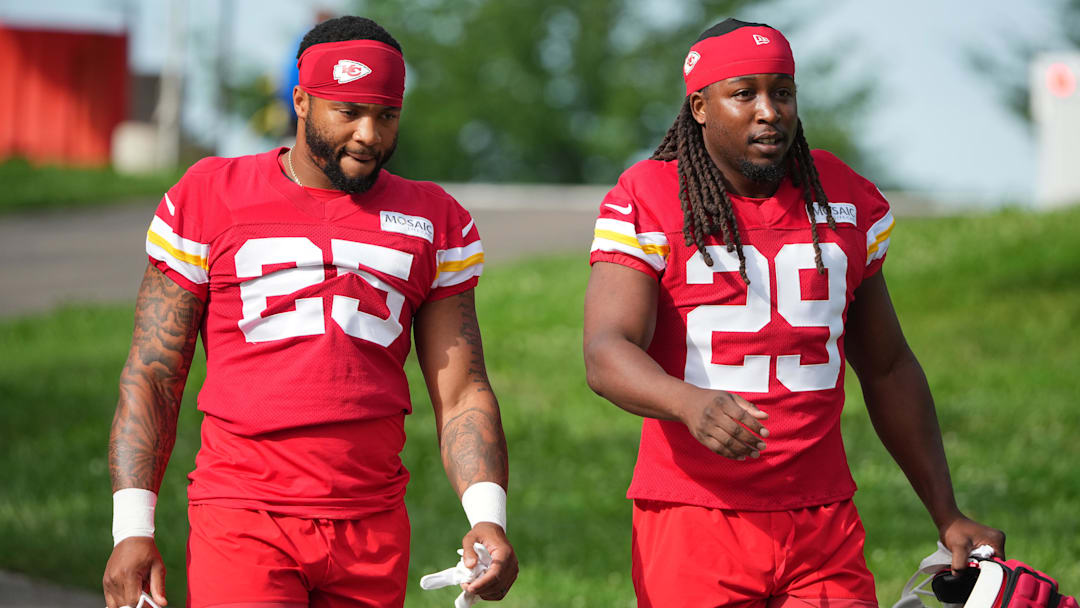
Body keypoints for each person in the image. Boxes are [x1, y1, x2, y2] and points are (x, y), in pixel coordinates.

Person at [582, 18, 1004, 608]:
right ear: (699, 106)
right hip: (695, 513)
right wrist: (687, 402)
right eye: (744, 93)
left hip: (822, 520)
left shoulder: (843, 195)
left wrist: (946, 512)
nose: (769, 111)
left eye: (782, 92)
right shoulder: (648, 195)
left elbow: (887, 368)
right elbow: (606, 351)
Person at [103, 16, 517, 608]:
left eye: (387, 114)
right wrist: (132, 529)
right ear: (300, 100)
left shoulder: (436, 218)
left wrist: (487, 515)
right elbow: (152, 373)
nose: (370, 134)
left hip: (372, 522)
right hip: (246, 514)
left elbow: (463, 391)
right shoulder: (210, 194)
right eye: (348, 112)